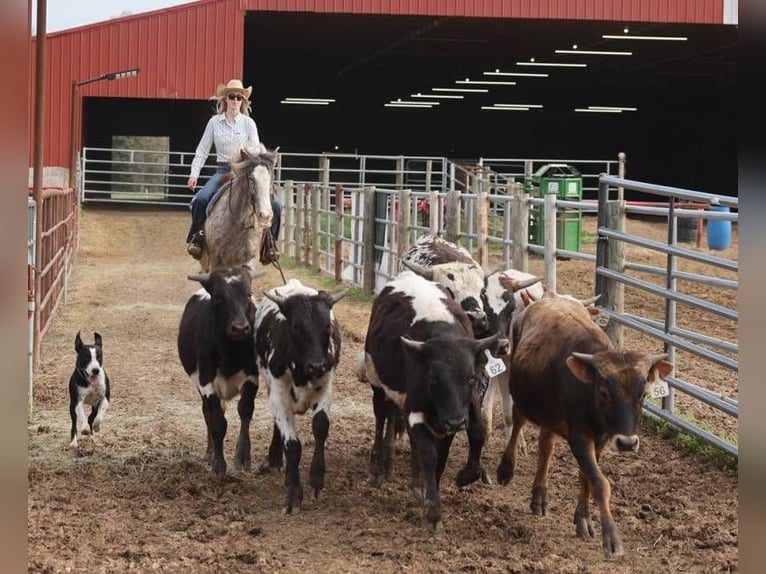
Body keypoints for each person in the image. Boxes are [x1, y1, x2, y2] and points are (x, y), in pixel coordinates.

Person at [186, 79, 282, 259]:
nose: (235, 100)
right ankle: (198, 236)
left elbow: (255, 151)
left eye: (239, 97)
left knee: (276, 205)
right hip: (222, 171)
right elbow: (202, 149)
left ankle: (270, 243)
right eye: (232, 96)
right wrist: (194, 173)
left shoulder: (248, 123)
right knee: (200, 200)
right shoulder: (214, 122)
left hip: (244, 172)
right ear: (225, 99)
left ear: (243, 101)